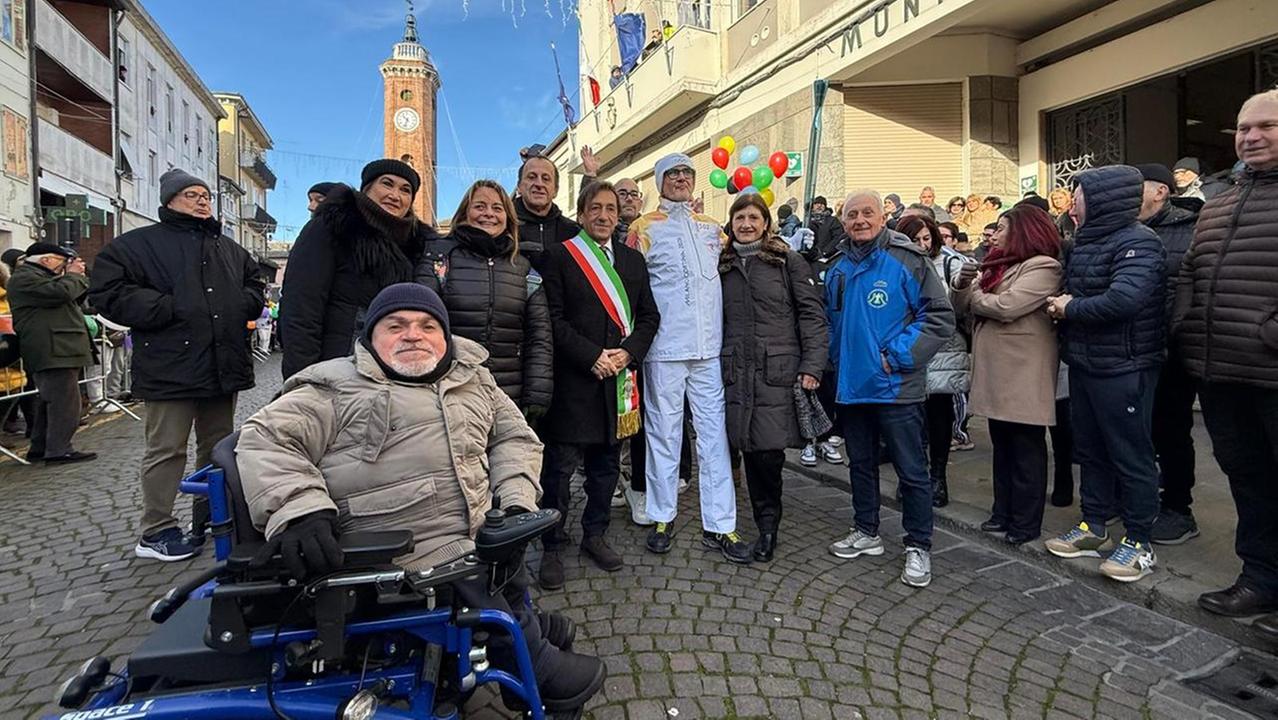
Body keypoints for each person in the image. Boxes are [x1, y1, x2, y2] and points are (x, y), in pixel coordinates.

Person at [236, 283, 606, 713]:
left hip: (476, 529)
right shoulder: (334, 386)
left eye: (428, 326)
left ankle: (524, 632)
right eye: (396, 325)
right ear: (370, 337)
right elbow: (263, 437)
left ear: (445, 337)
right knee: (470, 574)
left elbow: (515, 437)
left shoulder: (473, 377)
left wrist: (515, 502)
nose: (414, 334)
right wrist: (301, 508)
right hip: (396, 547)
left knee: (505, 550)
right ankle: (528, 660)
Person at [91, 168, 265, 560]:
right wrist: (166, 308)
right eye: (192, 194)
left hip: (222, 366)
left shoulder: (229, 248)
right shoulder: (137, 245)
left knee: (218, 449)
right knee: (166, 450)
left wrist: (242, 304)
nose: (202, 201)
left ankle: (211, 519)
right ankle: (156, 529)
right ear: (169, 200)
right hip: (170, 368)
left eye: (205, 195)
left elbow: (254, 285)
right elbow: (107, 292)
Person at [1174, 90, 1278, 632]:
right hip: (1220, 372)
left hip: (1271, 371)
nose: (1251, 136)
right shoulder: (1218, 204)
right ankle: (1261, 580)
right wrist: (1187, 329)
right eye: (1243, 128)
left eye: (1266, 126)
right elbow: (1192, 274)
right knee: (1248, 479)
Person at [824, 190, 955, 588]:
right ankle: (867, 531)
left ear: (884, 218)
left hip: (895, 386)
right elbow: (832, 322)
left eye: (868, 213)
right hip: (853, 386)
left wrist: (897, 355)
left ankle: (919, 544)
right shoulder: (837, 268)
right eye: (851, 215)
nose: (859, 220)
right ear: (842, 221)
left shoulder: (907, 259)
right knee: (860, 465)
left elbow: (939, 316)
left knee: (911, 471)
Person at [627, 153, 752, 563]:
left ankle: (722, 523)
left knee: (714, 437)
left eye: (686, 173)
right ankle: (662, 514)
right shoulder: (643, 228)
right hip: (664, 349)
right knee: (663, 433)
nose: (680, 179)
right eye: (672, 174)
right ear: (660, 182)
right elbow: (631, 288)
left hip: (707, 349)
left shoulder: (713, 230)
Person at [1044, 165, 1166, 583]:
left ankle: (1138, 540)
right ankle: (1093, 525)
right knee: (1090, 449)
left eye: (1077, 195)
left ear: (1103, 199)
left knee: (1131, 454)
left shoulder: (1140, 243)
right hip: (1084, 363)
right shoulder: (1082, 244)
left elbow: (1124, 300)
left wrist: (1069, 308)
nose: (1071, 203)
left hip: (1125, 367)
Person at [536, 181, 660, 588]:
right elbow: (552, 319)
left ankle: (595, 534)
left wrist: (628, 354)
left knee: (605, 470)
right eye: (596, 209)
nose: (604, 215)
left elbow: (648, 317)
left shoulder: (632, 260)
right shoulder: (560, 257)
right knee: (558, 473)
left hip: (618, 384)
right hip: (575, 382)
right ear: (582, 214)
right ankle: (552, 544)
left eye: (610, 208)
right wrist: (591, 356)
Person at [719, 193, 827, 562]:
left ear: (766, 223)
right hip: (735, 369)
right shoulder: (722, 263)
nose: (746, 224)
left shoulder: (787, 261)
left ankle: (768, 526)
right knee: (745, 448)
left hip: (775, 369)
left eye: (753, 217)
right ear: (731, 224)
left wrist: (812, 365)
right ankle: (744, 516)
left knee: (767, 453)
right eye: (739, 218)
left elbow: (811, 314)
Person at [954, 205, 1062, 545]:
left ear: (1023, 232)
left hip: (1023, 372)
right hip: (997, 370)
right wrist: (961, 284)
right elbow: (960, 306)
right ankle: (1002, 510)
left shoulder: (1044, 266)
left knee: (1026, 448)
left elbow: (1007, 307)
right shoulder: (998, 266)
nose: (994, 235)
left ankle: (1026, 521)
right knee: (1002, 446)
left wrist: (974, 295)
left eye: (1002, 228)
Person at [280, 159, 434, 380]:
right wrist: (303, 377)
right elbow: (301, 306)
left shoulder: (418, 245)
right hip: (337, 366)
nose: (395, 195)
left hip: (392, 370)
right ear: (367, 188)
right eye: (387, 184)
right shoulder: (332, 226)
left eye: (405, 190)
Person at [415, 180, 553, 420]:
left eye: (497, 208)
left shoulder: (522, 267)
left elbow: (539, 335)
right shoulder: (440, 258)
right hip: (450, 392)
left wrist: (537, 393)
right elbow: (420, 322)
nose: (489, 213)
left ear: (508, 217)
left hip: (509, 394)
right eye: (480, 206)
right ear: (465, 212)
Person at [1133, 163, 1202, 546]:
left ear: (1160, 191)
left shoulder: (1191, 229)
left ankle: (1178, 508)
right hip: (1134, 350)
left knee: (1171, 429)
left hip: (1174, 352)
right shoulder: (1126, 230)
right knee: (1141, 431)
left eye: (1137, 185)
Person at [896, 214, 970, 508]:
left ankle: (938, 476)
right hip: (909, 347)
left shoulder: (951, 262)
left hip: (943, 350)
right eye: (916, 240)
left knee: (940, 415)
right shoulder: (896, 262)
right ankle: (912, 477)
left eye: (927, 239)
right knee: (912, 420)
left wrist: (962, 287)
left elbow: (959, 310)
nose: (923, 245)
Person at [6, 243, 94, 464]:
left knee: (50, 402)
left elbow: (72, 296)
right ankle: (59, 449)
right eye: (60, 260)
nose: (64, 265)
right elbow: (61, 293)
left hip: (58, 347)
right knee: (64, 403)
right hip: (53, 348)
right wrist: (74, 276)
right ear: (46, 260)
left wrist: (74, 278)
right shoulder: (25, 278)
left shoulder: (36, 277)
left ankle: (41, 446)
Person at [513, 154, 580, 273]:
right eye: (531, 177)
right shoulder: (503, 227)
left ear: (555, 190)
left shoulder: (573, 232)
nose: (539, 184)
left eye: (546, 178)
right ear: (519, 187)